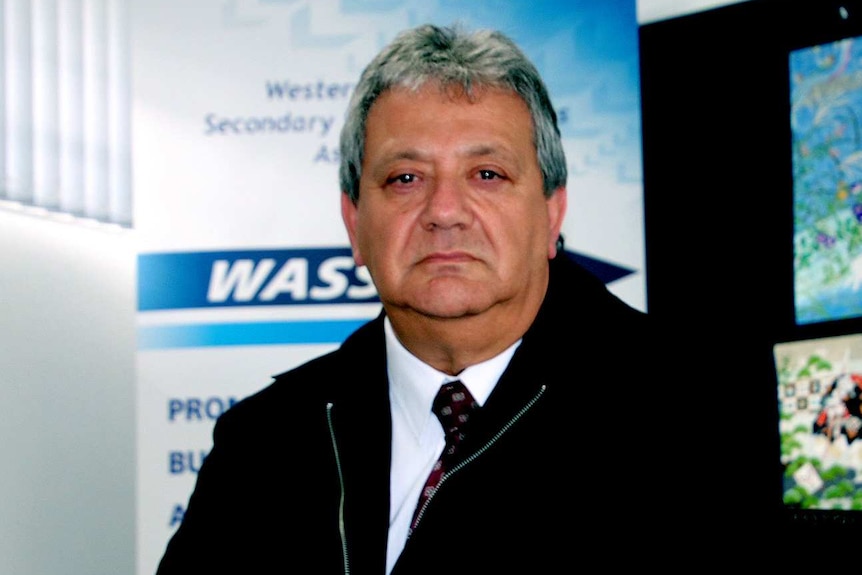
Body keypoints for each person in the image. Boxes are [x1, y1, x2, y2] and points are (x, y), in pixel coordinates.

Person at [156, 22, 698, 574]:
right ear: (354, 223)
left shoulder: (686, 407)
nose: (444, 211)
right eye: (405, 178)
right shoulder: (263, 443)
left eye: (487, 174)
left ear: (552, 212)